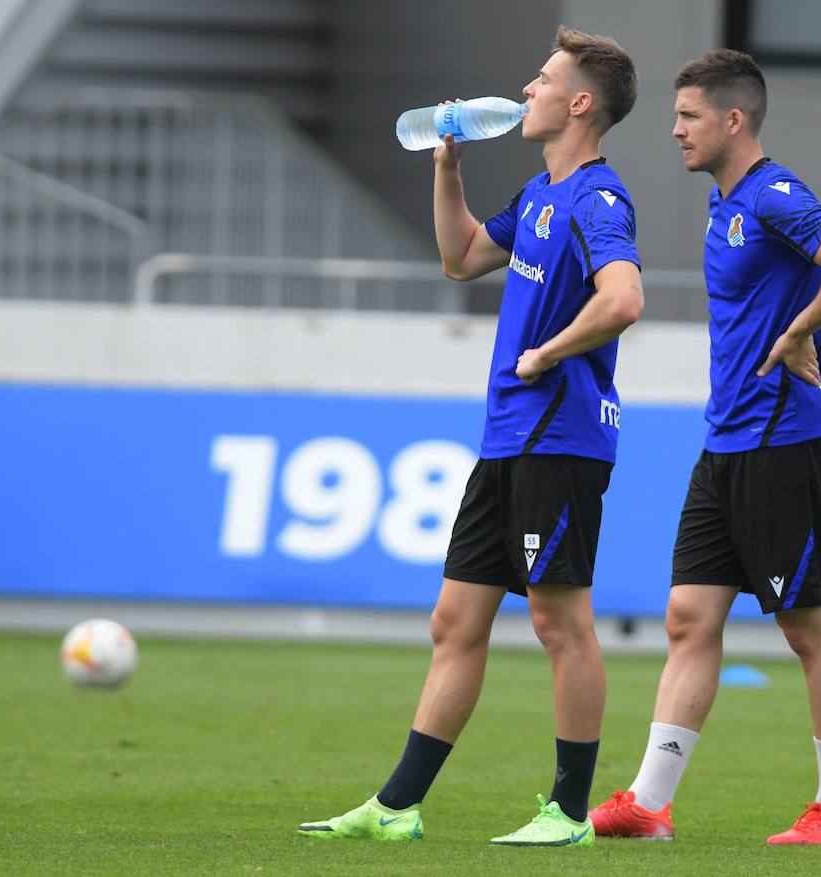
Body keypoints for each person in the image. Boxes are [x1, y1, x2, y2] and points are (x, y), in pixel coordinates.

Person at [298, 25, 642, 846]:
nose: (527, 91)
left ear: (579, 103)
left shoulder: (598, 199)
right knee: (455, 620)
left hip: (560, 438)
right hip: (508, 438)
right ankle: (396, 806)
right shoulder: (537, 197)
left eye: (542, 79)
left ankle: (566, 812)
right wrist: (448, 166)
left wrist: (550, 351)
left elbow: (623, 299)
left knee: (562, 624)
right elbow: (458, 258)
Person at [589, 49, 821, 845]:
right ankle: (650, 802)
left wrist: (798, 330)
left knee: (806, 628)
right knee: (688, 616)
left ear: (732, 119)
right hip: (726, 444)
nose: (675, 130)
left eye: (687, 117)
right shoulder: (723, 206)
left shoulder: (776, 195)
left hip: (789, 441)